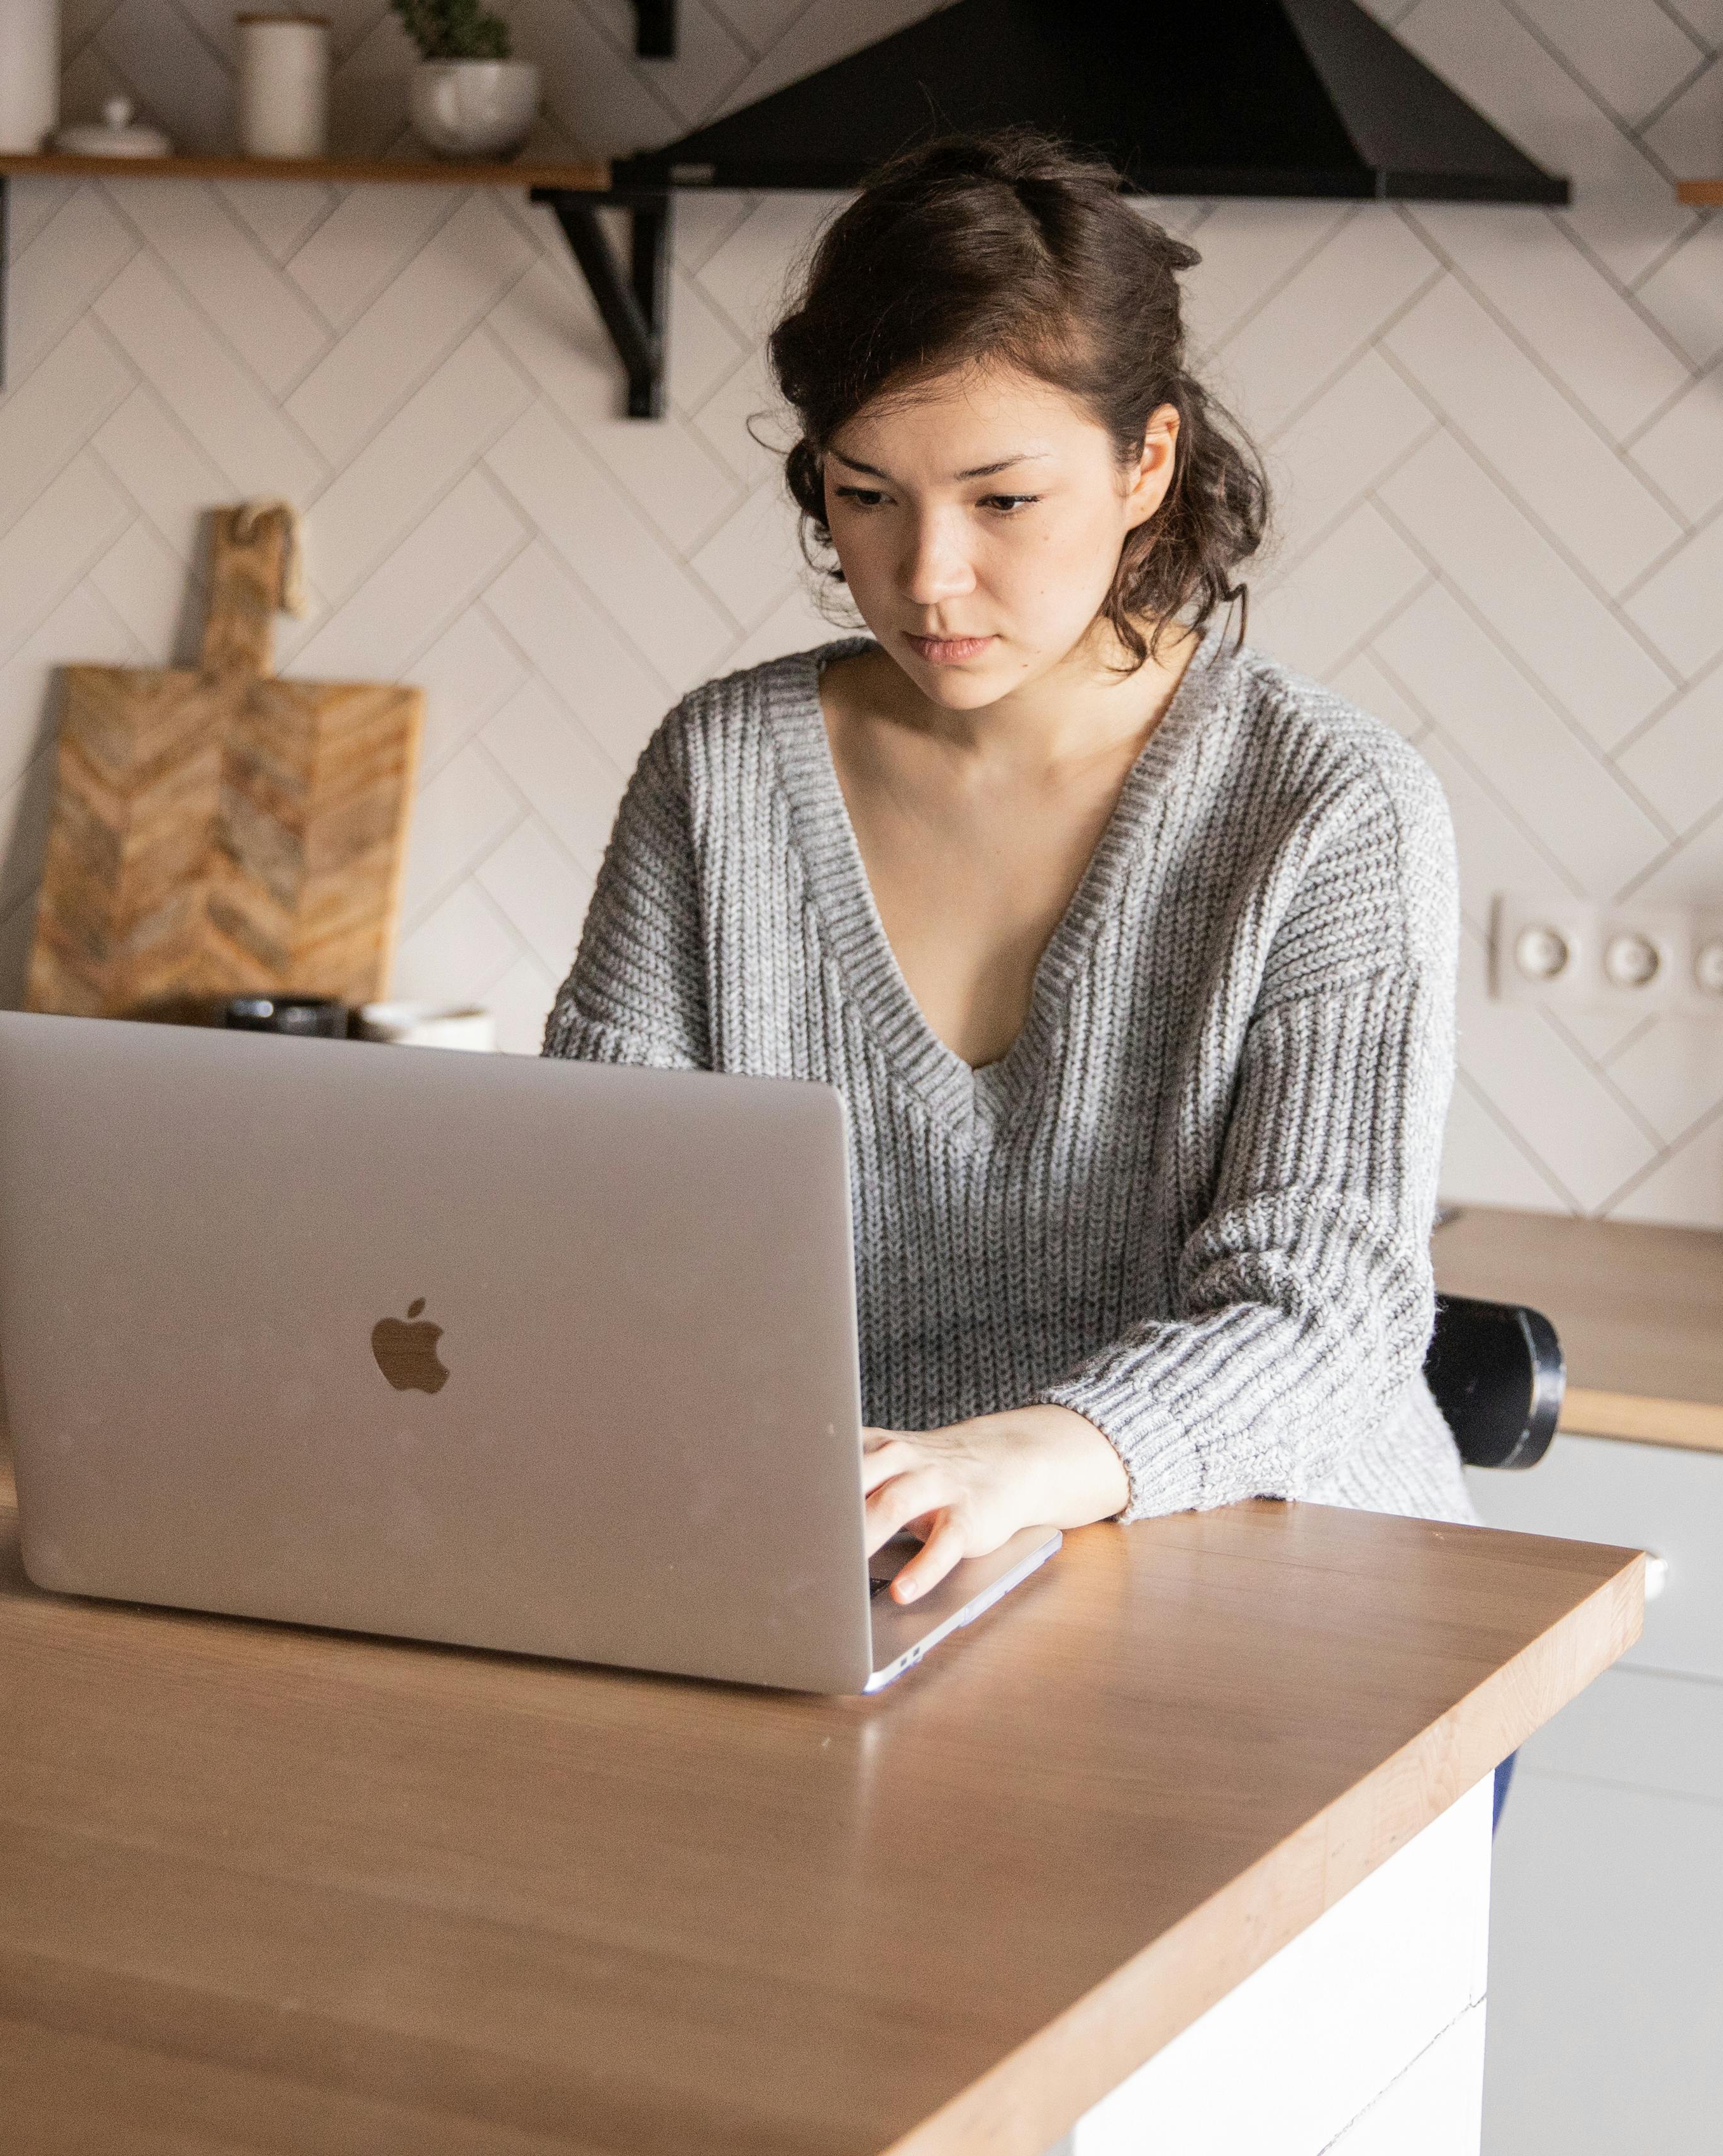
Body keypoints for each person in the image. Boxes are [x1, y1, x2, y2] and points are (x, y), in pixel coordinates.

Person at [545, 128, 1467, 1606]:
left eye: (1003, 498)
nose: (925, 574)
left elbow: (1327, 1313)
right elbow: (596, 1221)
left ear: (1146, 461)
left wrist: (1020, 1458)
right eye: (864, 494)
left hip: (1274, 1593)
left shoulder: (1329, 806)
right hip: (857, 1569)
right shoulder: (718, 771)